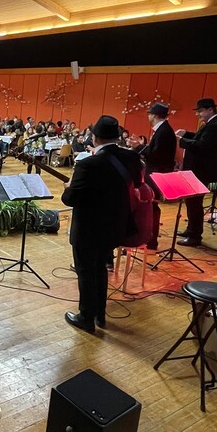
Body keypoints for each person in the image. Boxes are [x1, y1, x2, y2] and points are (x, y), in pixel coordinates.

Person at [61, 115, 142, 331]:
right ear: (117, 137)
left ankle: (86, 318)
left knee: (86, 271)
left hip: (88, 228)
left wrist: (68, 187)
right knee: (100, 268)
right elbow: (137, 182)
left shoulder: (88, 164)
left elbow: (71, 199)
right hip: (115, 225)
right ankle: (99, 315)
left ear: (95, 138)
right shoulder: (131, 157)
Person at [175, 98, 217, 247]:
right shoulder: (212, 124)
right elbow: (201, 138)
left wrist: (181, 140)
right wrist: (187, 134)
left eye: (200, 111)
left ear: (210, 109)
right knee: (191, 202)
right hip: (199, 170)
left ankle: (194, 236)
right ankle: (191, 230)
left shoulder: (216, 125)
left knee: (195, 203)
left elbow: (203, 145)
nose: (198, 114)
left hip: (201, 170)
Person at [133, 102, 176, 251]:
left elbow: (155, 155)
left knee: (152, 207)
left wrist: (138, 147)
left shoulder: (164, 131)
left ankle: (150, 241)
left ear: (155, 115)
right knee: (151, 207)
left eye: (150, 114)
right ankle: (148, 239)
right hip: (156, 173)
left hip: (156, 175)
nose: (148, 117)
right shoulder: (163, 130)